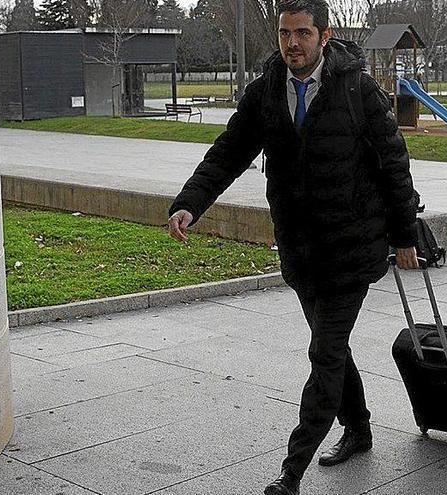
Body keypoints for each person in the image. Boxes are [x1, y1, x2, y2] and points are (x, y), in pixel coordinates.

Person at [167, 1, 419, 493]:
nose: (292, 44)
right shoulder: (265, 92)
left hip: (350, 250)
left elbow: (394, 162)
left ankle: (291, 471)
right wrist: (190, 203)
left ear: (324, 35)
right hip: (300, 252)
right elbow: (230, 150)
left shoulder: (357, 90)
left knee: (323, 354)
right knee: (333, 347)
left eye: (303, 33)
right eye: (285, 33)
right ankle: (360, 428)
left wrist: (405, 233)